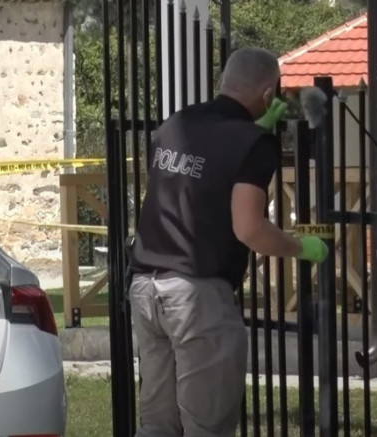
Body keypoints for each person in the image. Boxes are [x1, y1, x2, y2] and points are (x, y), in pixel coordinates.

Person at [128, 47, 329, 437]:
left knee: (156, 425)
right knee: (208, 426)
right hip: (197, 296)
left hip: (145, 288)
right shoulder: (254, 144)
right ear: (268, 93)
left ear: (224, 81)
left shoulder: (177, 124)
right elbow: (249, 228)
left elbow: (197, 180)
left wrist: (254, 132)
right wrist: (300, 247)